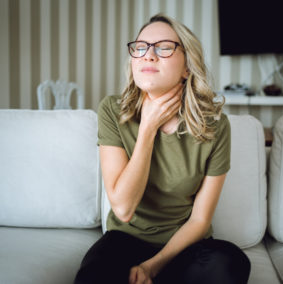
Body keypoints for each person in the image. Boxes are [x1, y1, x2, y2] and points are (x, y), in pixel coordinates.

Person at [74, 13, 250, 284]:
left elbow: (200, 220)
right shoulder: (112, 110)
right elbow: (122, 209)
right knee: (93, 277)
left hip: (184, 247)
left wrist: (152, 267)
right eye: (141, 47)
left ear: (187, 67)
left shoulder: (215, 126)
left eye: (164, 48)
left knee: (230, 265)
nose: (148, 55)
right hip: (125, 240)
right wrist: (148, 128)